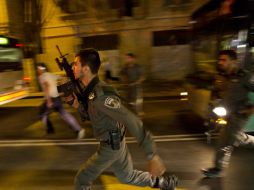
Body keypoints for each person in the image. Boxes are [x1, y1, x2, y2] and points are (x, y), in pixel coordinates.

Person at [70, 48, 178, 190]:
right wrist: (77, 105)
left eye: (76, 64)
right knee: (126, 176)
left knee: (81, 179)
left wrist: (152, 155)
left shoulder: (100, 95)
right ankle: (164, 182)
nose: (72, 66)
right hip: (115, 142)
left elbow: (130, 119)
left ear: (85, 69)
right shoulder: (91, 92)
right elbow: (95, 116)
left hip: (110, 146)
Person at [202, 50, 254, 178]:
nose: (220, 62)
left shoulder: (245, 76)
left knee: (228, 141)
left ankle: (217, 169)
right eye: (219, 60)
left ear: (233, 61)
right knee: (230, 139)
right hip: (227, 113)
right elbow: (217, 93)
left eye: (224, 60)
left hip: (240, 114)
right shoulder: (221, 76)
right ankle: (217, 168)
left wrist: (251, 109)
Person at [37, 63, 85, 139]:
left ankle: (50, 129)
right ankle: (79, 129)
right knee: (64, 114)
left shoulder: (42, 77)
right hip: (57, 98)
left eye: (38, 69)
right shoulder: (50, 75)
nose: (38, 70)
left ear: (41, 69)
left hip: (51, 99)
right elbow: (63, 78)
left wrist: (49, 101)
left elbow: (46, 86)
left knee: (42, 114)